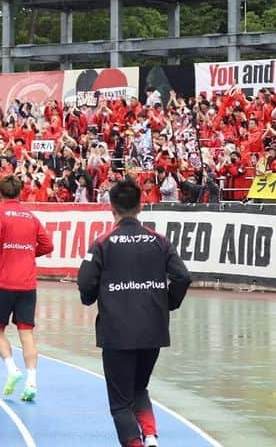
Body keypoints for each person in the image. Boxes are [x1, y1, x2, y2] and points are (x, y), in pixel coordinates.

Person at [78, 179, 192, 447]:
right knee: (139, 387)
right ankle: (151, 436)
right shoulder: (159, 241)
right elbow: (183, 277)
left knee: (120, 404)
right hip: (153, 330)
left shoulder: (103, 243)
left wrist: (90, 298)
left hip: (117, 333)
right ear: (140, 207)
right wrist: (168, 303)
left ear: (112, 208)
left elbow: (85, 283)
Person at [0, 175, 53, 402]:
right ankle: (32, 380)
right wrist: (27, 253)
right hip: (27, 282)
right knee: (26, 332)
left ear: (0, 193)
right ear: (20, 193)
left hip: (3, 281)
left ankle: (12, 368)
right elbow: (48, 244)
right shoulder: (31, 217)